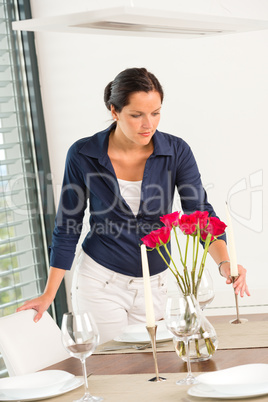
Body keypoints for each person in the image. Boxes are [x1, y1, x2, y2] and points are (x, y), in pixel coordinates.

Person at [17, 67, 250, 343]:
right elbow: (68, 226)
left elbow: (199, 214)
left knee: (157, 369)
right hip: (101, 282)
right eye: (136, 115)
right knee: (111, 369)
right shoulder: (83, 155)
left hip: (156, 284)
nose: (148, 124)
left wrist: (225, 262)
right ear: (114, 111)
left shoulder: (176, 152)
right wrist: (49, 294)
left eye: (155, 113)